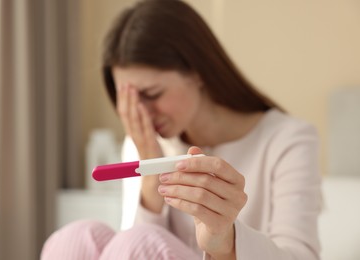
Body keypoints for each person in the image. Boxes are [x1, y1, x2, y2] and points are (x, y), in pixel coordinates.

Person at [41, 0, 322, 259]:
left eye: (152, 93)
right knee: (76, 238)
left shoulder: (288, 140)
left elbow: (301, 255)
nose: (143, 114)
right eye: (129, 100)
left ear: (197, 71)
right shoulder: (145, 143)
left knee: (138, 241)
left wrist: (225, 240)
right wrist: (150, 176)